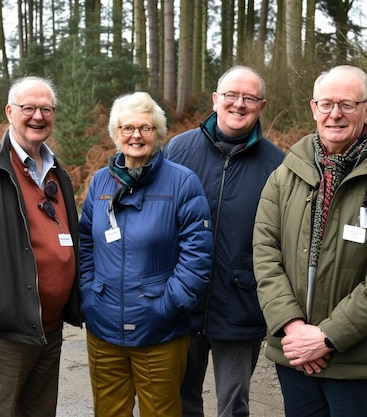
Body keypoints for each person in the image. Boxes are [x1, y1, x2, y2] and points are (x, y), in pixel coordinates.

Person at [252, 65, 367, 417]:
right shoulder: (285, 176)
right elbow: (265, 255)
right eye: (326, 104)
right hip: (295, 352)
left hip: (356, 357)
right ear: (314, 108)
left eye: (347, 104)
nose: (335, 114)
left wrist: (328, 336)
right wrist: (294, 328)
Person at [0, 76, 81, 417]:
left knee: (39, 412)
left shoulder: (57, 173)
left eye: (46, 109)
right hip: (4, 329)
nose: (38, 116)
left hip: (50, 328)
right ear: (10, 112)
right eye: (28, 108)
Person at [79, 91, 213, 417]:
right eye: (127, 128)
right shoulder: (100, 182)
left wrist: (167, 305)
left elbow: (197, 256)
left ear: (158, 133)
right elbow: (85, 244)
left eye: (145, 128)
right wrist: (89, 296)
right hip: (104, 328)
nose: (135, 136)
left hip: (160, 330)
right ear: (115, 134)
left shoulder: (182, 183)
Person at [164, 65, 285, 417]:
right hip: (183, 302)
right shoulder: (178, 150)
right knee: (181, 402)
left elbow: (284, 239)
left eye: (249, 98)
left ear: (261, 106)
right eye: (231, 95)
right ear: (216, 100)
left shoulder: (278, 165)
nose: (239, 104)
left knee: (234, 407)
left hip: (241, 305)